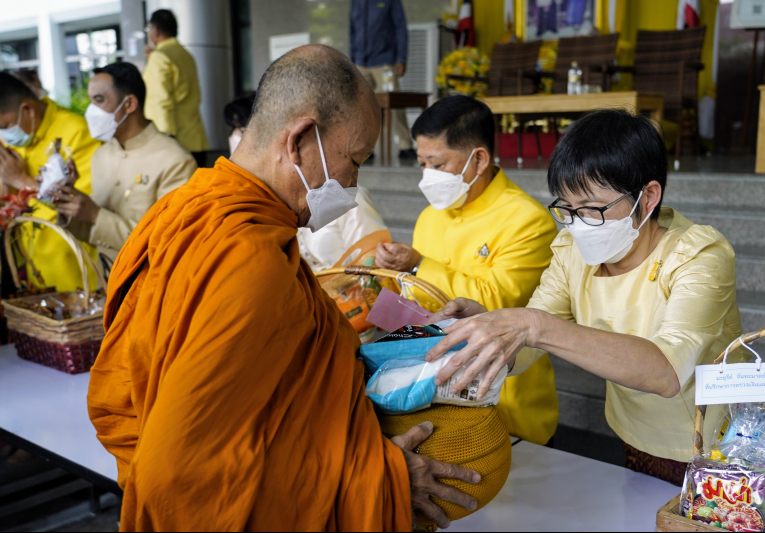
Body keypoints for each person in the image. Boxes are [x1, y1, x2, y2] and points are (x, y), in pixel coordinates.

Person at [87, 45, 480, 531]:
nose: (354, 183)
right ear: (298, 141)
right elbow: (181, 476)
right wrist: (376, 476)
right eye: (354, 160)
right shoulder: (246, 260)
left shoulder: (180, 209)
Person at [425, 109, 743, 485]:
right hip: (634, 435)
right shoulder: (572, 251)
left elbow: (666, 371)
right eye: (568, 209)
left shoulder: (698, 255)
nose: (578, 224)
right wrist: (492, 329)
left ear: (649, 196)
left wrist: (534, 326)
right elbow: (529, 342)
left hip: (714, 445)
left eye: (592, 209)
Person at [374, 95, 559, 446]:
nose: (427, 176)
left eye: (438, 164)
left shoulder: (527, 220)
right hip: (434, 387)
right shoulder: (431, 215)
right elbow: (418, 300)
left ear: (479, 159)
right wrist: (392, 276)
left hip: (504, 399)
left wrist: (417, 265)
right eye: (421, 163)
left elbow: (496, 302)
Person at [224, 93, 389, 272]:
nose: (234, 137)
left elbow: (374, 265)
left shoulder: (341, 195)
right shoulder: (265, 199)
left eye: (241, 129)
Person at [53, 62, 196, 262]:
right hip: (106, 280)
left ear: (129, 104)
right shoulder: (102, 155)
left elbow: (168, 240)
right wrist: (66, 203)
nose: (91, 111)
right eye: (91, 101)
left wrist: (96, 215)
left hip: (149, 284)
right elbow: (95, 235)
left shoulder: (175, 160)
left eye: (99, 100)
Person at [0, 72, 101, 292]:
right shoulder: (11, 136)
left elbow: (83, 209)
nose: (4, 134)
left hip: (74, 265)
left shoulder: (77, 133)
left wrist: (20, 179)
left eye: (5, 125)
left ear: (27, 110)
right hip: (31, 263)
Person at [350, 0, 416, 160]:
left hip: (384, 61)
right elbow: (352, 30)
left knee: (394, 103)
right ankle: (365, 148)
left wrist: (401, 58)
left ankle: (405, 145)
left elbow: (400, 28)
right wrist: (351, 58)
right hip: (360, 62)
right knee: (361, 106)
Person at [143, 9, 209, 167]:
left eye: (148, 29)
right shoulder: (186, 55)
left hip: (175, 143)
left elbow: (160, 102)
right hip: (195, 138)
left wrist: (164, 139)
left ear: (155, 30)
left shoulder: (159, 57)